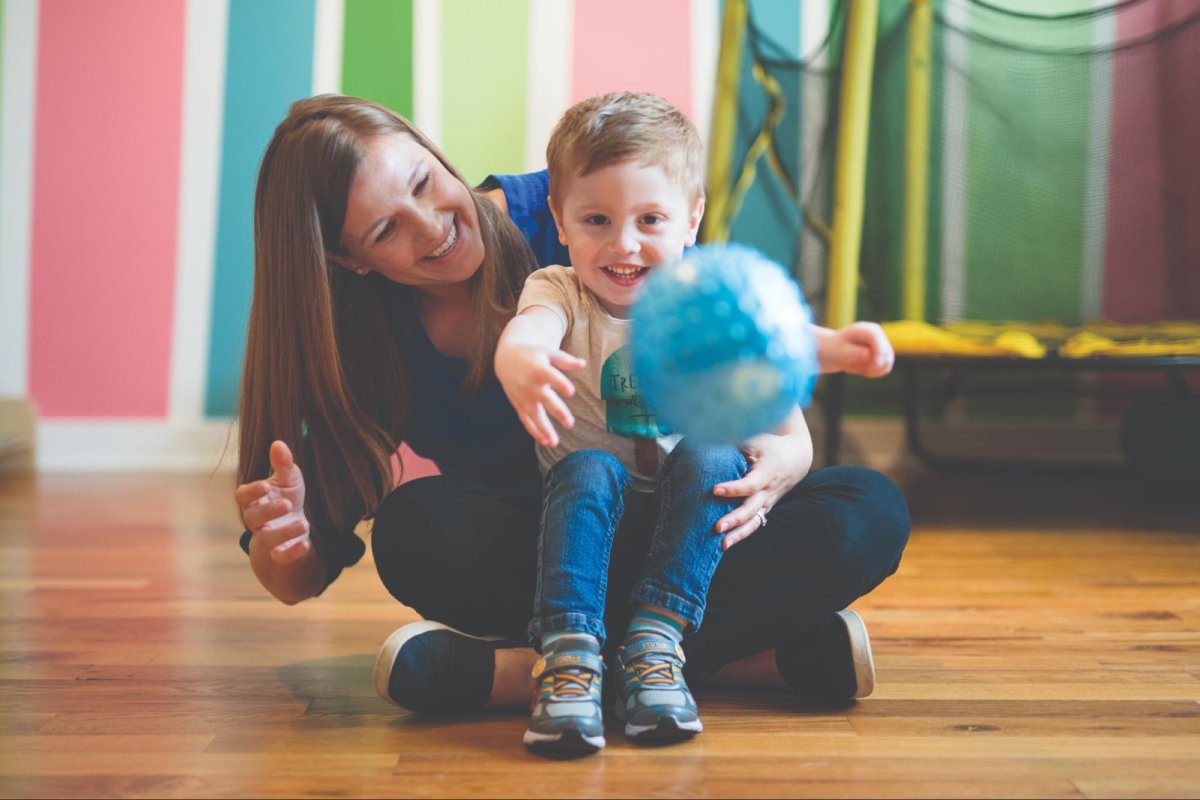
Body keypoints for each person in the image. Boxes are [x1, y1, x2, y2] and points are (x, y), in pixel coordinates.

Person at [233, 94, 910, 720]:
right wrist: (283, 542)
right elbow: (297, 580)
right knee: (412, 529)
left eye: (423, 182)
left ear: (433, 152)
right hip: (554, 553)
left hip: (692, 521)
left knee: (867, 512)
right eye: (386, 231)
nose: (433, 227)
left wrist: (791, 449)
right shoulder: (361, 337)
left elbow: (729, 343)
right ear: (349, 262)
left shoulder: (594, 204)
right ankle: (721, 660)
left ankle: (537, 671)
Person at [495, 93, 785, 753]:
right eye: (596, 219)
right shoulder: (558, 288)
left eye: (650, 219)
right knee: (590, 466)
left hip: (686, 537)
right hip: (585, 530)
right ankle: (569, 659)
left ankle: (656, 643)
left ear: (692, 220)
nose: (624, 244)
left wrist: (787, 457)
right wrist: (517, 357)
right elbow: (529, 330)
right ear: (560, 223)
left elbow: (780, 400)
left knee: (717, 455)